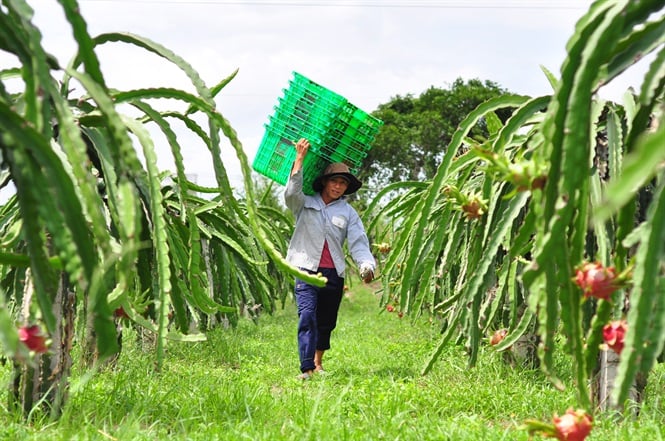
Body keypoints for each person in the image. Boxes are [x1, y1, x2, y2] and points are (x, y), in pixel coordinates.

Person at [285, 138, 376, 380]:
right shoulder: (305, 202)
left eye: (343, 184)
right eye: (334, 181)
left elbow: (358, 242)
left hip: (333, 272)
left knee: (326, 320)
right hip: (305, 268)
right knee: (307, 315)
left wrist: (366, 265)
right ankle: (306, 368)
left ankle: (318, 362)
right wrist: (300, 158)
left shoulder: (348, 213)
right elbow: (291, 192)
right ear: (325, 182)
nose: (338, 187)